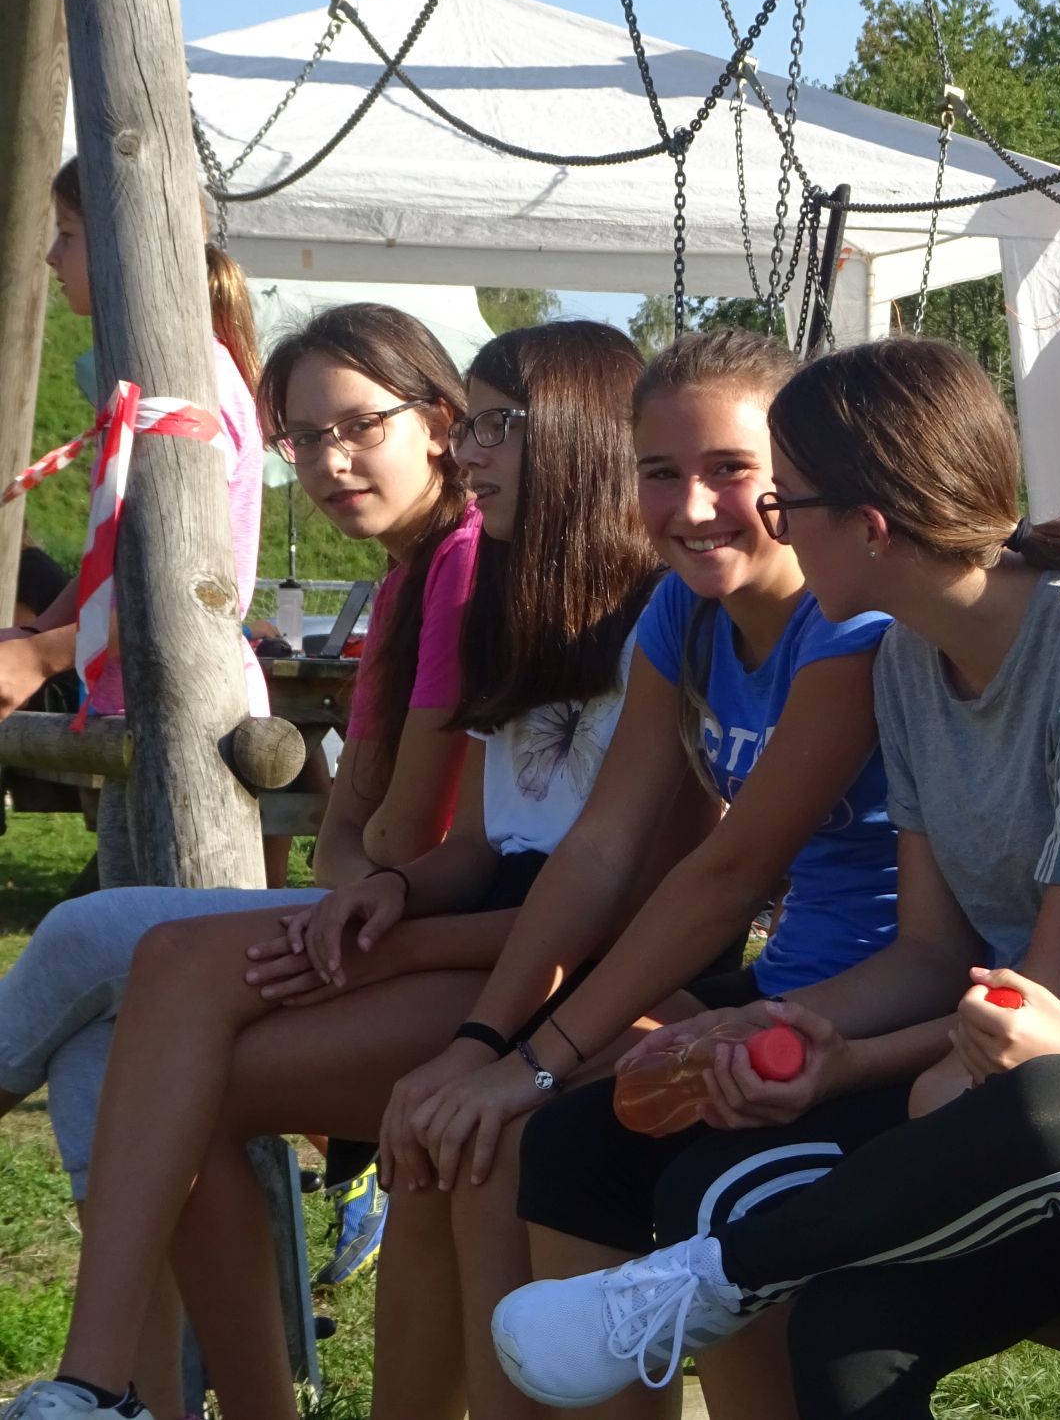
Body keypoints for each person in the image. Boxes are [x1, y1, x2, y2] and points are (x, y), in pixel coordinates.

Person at [490, 315, 1060, 1419]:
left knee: (1033, 1118)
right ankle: (702, 1283)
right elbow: (1034, 973)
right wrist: (846, 1052)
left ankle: (707, 1284)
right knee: (845, 1329)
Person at [0, 320, 661, 1420]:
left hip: (568, 982)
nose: (469, 451)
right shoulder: (513, 602)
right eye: (302, 438)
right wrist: (386, 893)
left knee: (117, 972)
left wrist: (392, 908)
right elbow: (459, 845)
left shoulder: (630, 614)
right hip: (482, 934)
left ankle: (106, 1383)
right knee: (149, 1030)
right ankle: (105, 1385)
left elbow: (605, 894)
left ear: (580, 437)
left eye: (490, 426)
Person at [506, 336, 1060, 1420]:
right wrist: (781, 1026)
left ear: (871, 526)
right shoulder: (907, 657)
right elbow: (932, 952)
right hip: (973, 1034)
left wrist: (843, 1058)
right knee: (577, 1144)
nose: (773, 524)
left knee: (725, 1193)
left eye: (784, 500)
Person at [373, 327, 906, 1420]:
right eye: (661, 472)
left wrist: (533, 1063)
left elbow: (729, 871)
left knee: (562, 1135)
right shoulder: (683, 611)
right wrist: (484, 1045)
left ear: (797, 476)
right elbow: (600, 847)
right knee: (495, 1146)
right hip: (783, 985)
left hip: (880, 1007)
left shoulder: (852, 623)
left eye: (731, 469)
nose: (693, 506)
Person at [0, 160, 270, 880]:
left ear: (130, 247)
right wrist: (35, 630)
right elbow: (117, 555)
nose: (51, 256)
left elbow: (176, 593)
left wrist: (42, 656)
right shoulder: (153, 389)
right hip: (150, 706)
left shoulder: (186, 390)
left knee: (166, 920)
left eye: (67, 234)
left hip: (192, 717)